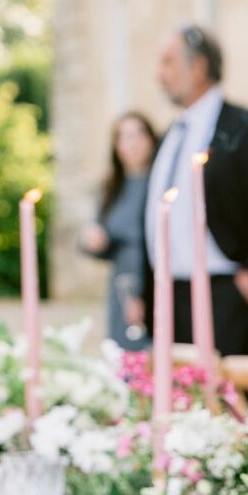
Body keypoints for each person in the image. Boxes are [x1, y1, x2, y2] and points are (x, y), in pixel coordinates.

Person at [144, 24, 248, 357]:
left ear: (199, 66)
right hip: (169, 292)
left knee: (221, 399)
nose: (159, 73)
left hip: (224, 290)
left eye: (168, 62)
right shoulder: (172, 134)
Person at [80, 111, 158, 349]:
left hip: (153, 281)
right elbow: (99, 241)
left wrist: (145, 295)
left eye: (137, 135)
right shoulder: (110, 188)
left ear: (151, 140)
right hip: (121, 286)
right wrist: (94, 241)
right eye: (124, 137)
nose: (132, 144)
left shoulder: (159, 184)